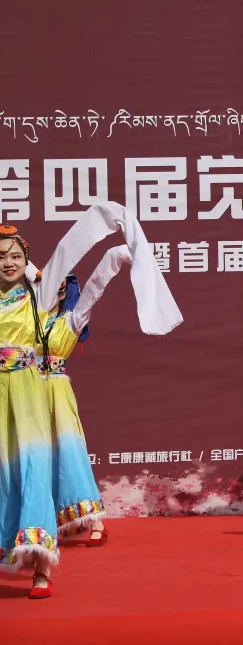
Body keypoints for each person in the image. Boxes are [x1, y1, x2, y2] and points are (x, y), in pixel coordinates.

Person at [0, 203, 181, 598]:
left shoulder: (41, 304)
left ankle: (42, 566)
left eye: (15, 256)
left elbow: (79, 267)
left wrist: (115, 247)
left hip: (33, 396)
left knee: (38, 471)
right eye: (1, 257)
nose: (8, 262)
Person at [39, 242, 178, 549]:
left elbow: (94, 288)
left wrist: (114, 257)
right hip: (25, 392)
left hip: (56, 393)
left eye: (55, 286)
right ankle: (40, 523)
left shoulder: (72, 319)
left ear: (62, 291)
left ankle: (95, 521)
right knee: (31, 459)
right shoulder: (25, 321)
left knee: (69, 457)